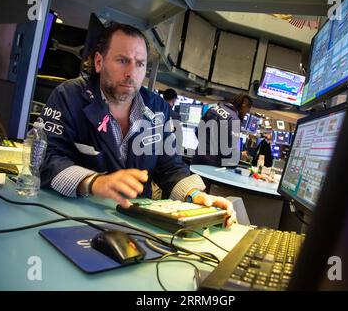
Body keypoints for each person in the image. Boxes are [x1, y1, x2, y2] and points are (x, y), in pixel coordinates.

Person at [37, 23, 235, 227]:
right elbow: (46, 158)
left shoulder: (157, 108)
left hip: (135, 223)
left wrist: (195, 196)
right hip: (74, 217)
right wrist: (93, 182)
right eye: (122, 61)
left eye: (140, 64)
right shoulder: (69, 96)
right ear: (99, 62)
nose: (132, 72)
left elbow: (170, 168)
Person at [192, 93, 253, 167]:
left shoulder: (213, 109)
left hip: (197, 159)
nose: (246, 113)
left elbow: (197, 132)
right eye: (247, 111)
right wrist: (240, 155)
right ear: (244, 105)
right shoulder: (234, 120)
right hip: (212, 165)